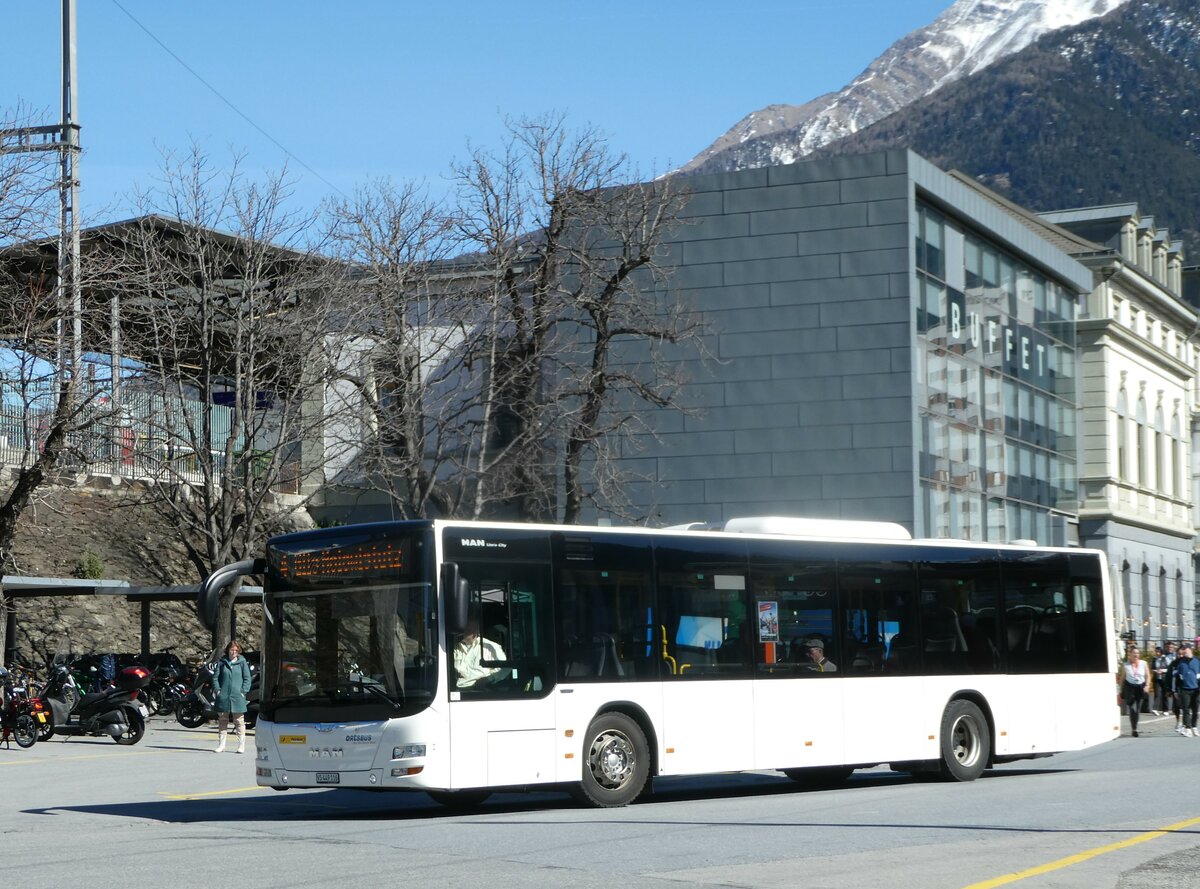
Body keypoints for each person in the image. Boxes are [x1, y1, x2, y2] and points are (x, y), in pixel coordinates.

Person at [211, 639, 253, 753]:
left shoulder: (242, 662)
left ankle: (241, 745)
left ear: (238, 651)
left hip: (237, 696)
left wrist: (243, 691)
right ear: (228, 650)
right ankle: (221, 745)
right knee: (222, 720)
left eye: (236, 650)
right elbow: (215, 678)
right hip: (223, 696)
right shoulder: (221, 662)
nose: (234, 652)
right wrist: (218, 690)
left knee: (239, 721)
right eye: (232, 649)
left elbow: (247, 678)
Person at [453, 616, 506, 689]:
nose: (462, 633)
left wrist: (488, 679)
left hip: (478, 692)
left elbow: (504, 669)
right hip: (453, 690)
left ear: (475, 634)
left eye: (467, 630)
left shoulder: (490, 647)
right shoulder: (454, 646)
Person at [1171, 643, 1200, 737]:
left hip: (1195, 689)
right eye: (1183, 649)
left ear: (1190, 649)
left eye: (1185, 649)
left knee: (1195, 709)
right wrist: (1174, 690)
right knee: (1185, 709)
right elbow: (1175, 677)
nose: (1183, 651)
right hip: (1184, 689)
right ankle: (1187, 728)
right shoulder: (1180, 663)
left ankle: (1194, 726)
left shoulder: (1197, 662)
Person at [1120, 646, 1148, 736]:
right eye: (1134, 653)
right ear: (1130, 655)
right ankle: (1134, 729)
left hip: (1140, 686)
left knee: (1138, 708)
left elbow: (1148, 675)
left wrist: (1147, 685)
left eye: (1137, 653)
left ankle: (1135, 726)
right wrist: (1120, 689)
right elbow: (1122, 678)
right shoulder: (1126, 665)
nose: (1136, 655)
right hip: (1130, 687)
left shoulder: (1144, 663)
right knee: (1133, 708)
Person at [1153, 642, 1176, 714]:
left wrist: (1163, 670)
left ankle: (1174, 708)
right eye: (1168, 647)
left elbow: (1171, 666)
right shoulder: (1163, 656)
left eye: (1171, 647)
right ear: (1165, 648)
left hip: (1174, 676)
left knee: (1174, 692)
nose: (1169, 648)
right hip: (1165, 677)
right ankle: (1165, 709)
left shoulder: (1176, 655)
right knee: (1164, 693)